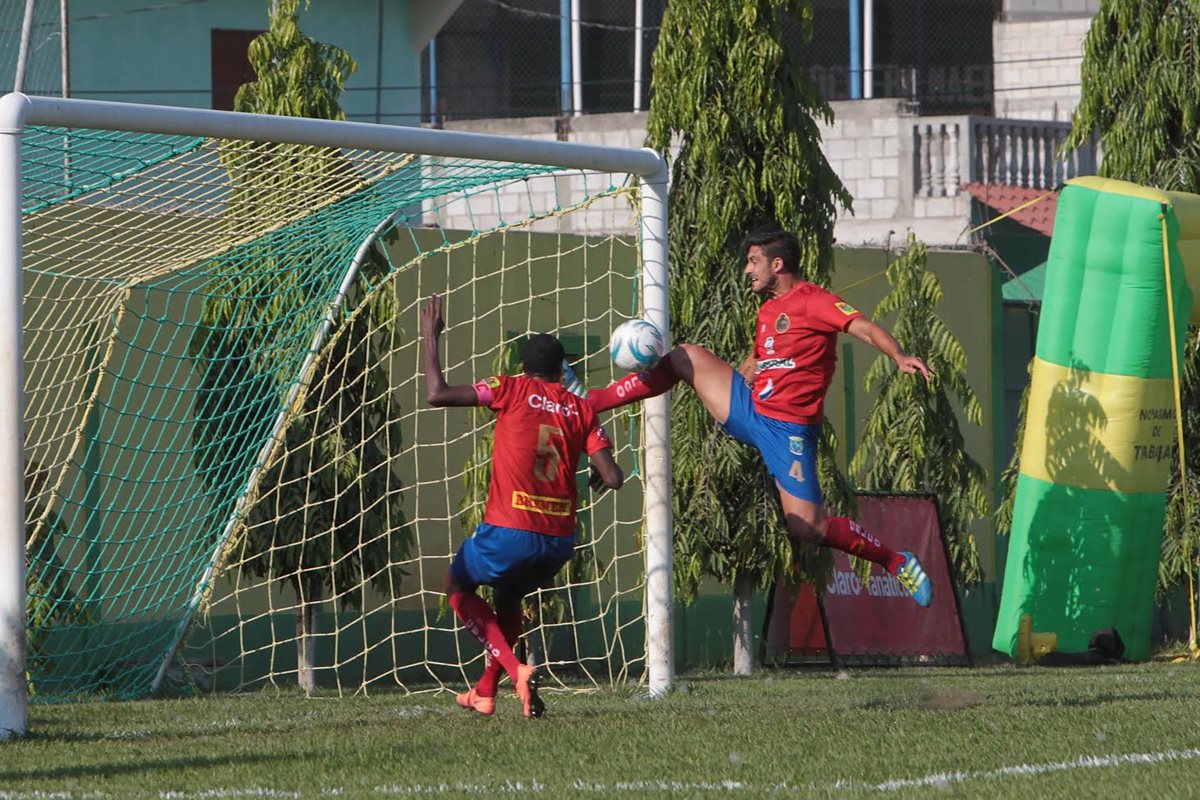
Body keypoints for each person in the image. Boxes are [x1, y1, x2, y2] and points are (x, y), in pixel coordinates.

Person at [585, 228, 936, 606]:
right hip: (752, 410)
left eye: (753, 262)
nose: (746, 270)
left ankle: (895, 560)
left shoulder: (814, 301)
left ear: (778, 264)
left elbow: (863, 327)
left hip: (790, 432)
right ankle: (592, 402)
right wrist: (733, 384)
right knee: (686, 356)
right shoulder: (768, 309)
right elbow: (759, 359)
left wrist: (898, 355)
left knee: (808, 527)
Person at [421, 294, 624, 719]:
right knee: (509, 599)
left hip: (509, 529)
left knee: (456, 587)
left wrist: (430, 337)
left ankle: (516, 671)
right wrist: (592, 475)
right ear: (560, 369)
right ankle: (485, 692)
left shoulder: (509, 388)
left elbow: (436, 394)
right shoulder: (580, 408)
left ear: (523, 367)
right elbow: (613, 477)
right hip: (556, 542)